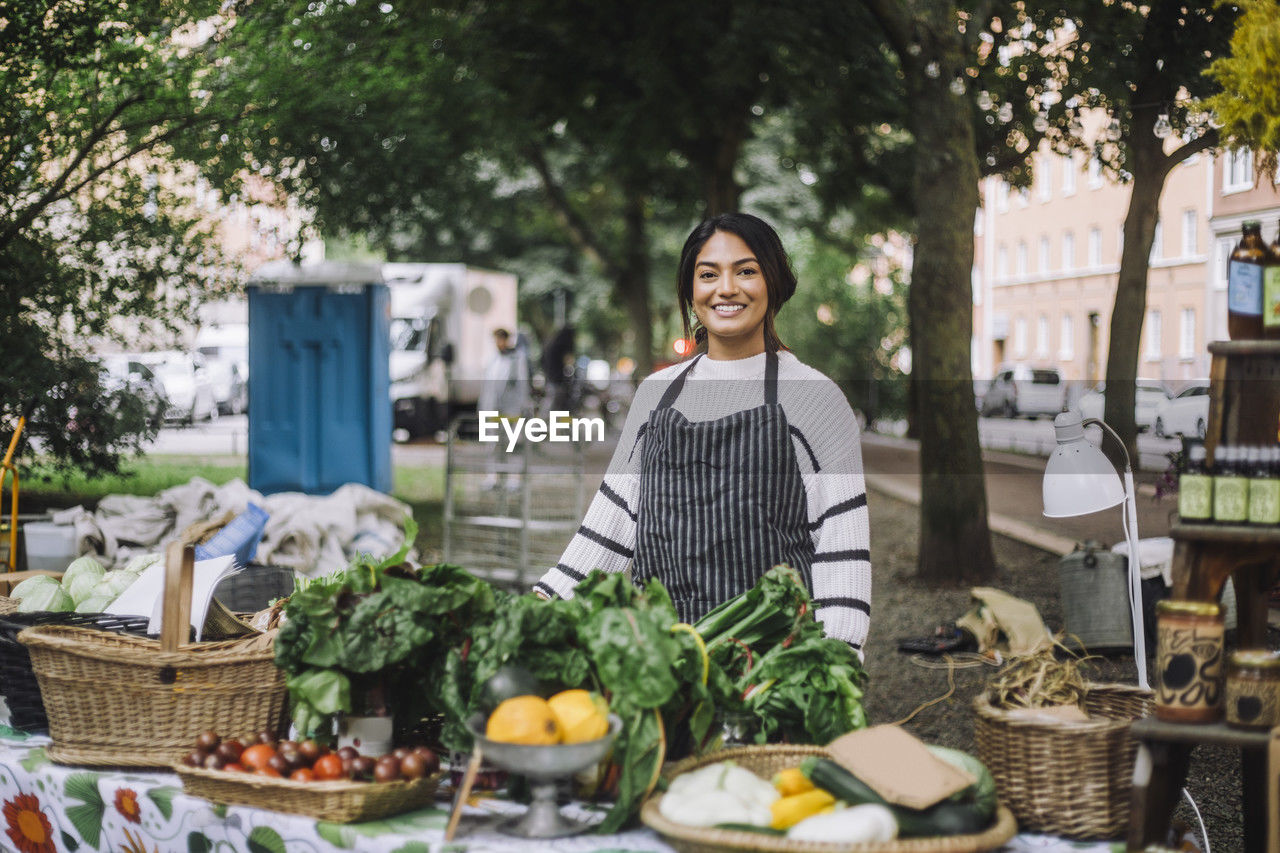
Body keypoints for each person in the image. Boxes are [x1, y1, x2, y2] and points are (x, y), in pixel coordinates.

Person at [534, 213, 871, 654]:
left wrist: (835, 665)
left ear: (773, 283)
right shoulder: (654, 395)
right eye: (708, 274)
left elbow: (841, 551)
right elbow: (611, 526)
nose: (726, 288)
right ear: (691, 293)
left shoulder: (815, 398)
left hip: (773, 670)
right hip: (662, 664)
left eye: (746, 271)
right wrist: (541, 607)